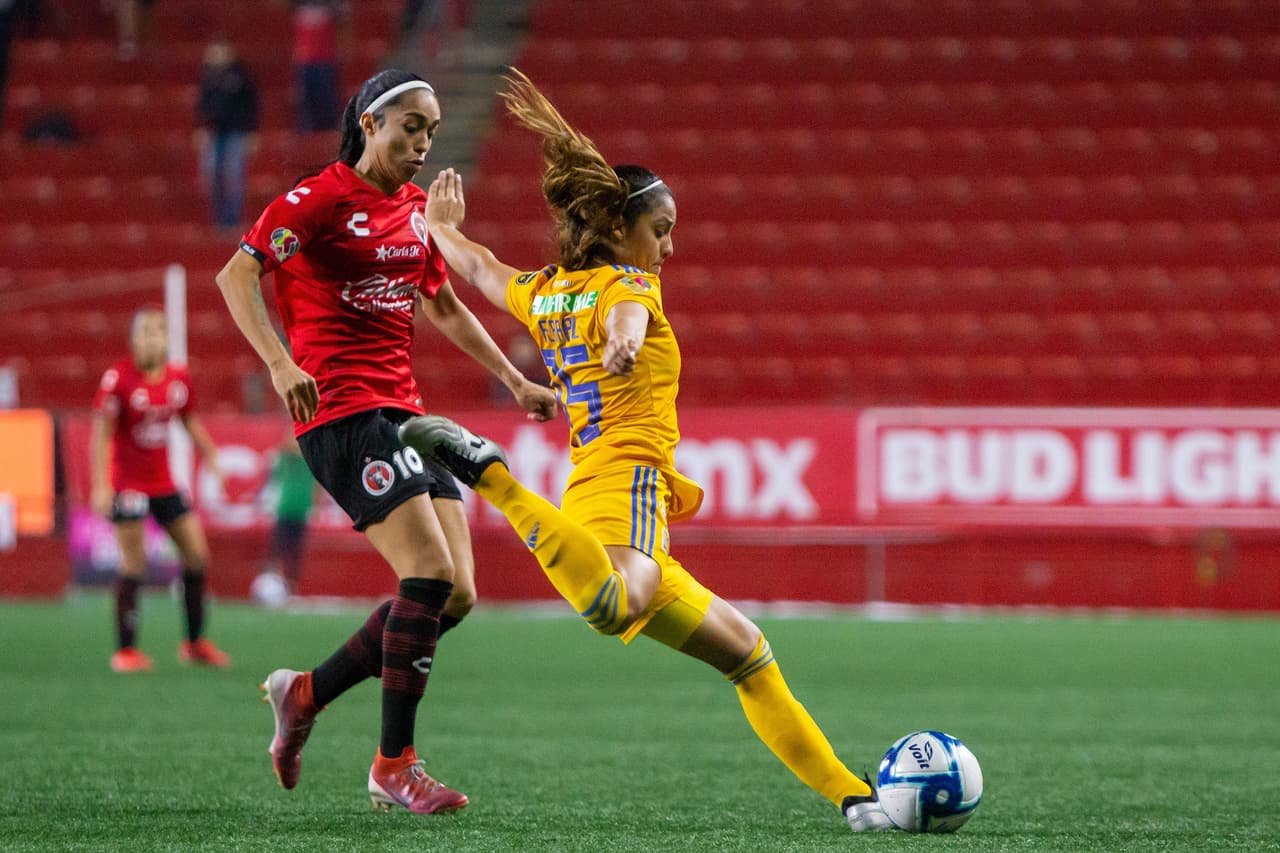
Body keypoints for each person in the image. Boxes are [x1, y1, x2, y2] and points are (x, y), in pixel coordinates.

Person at [397, 69, 896, 834]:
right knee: (613, 605)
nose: (670, 242)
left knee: (749, 654)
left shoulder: (550, 291)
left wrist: (443, 230)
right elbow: (629, 315)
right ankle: (485, 471)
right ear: (621, 231)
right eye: (661, 228)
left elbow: (481, 271)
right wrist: (625, 344)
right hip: (624, 485)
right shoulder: (630, 286)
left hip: (610, 497)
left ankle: (856, 799)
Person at [215, 68, 558, 815]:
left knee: (454, 594)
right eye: (412, 126)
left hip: (407, 418)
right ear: (370, 123)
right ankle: (392, 765)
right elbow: (235, 276)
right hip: (340, 411)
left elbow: (444, 304)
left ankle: (304, 693)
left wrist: (513, 377)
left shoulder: (411, 211)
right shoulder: (318, 198)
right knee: (429, 573)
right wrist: (279, 362)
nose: (424, 142)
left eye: (433, 132)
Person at [90, 306, 232, 673]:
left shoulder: (178, 379)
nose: (154, 336)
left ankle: (195, 642)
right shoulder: (117, 380)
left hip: (165, 483)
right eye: (147, 331)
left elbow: (190, 421)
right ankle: (125, 651)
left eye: (159, 330)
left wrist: (213, 456)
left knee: (197, 555)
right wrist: (102, 485)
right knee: (133, 563)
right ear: (134, 340)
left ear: (168, 339)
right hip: (129, 485)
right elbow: (101, 435)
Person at [195, 36, 260, 231]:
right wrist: (200, 128)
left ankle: (232, 220)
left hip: (236, 133)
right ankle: (219, 217)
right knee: (211, 173)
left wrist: (252, 131)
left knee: (234, 175)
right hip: (215, 133)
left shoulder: (240, 76)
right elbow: (202, 106)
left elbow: (251, 105)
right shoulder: (208, 78)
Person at [258, 424, 317, 595]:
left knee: (295, 553)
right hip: (286, 507)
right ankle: (267, 583)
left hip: (302, 509)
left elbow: (317, 488)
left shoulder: (312, 460)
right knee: (277, 549)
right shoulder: (287, 456)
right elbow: (287, 445)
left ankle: (291, 588)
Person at [292, 0, 347, 132]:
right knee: (306, 109)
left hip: (326, 60)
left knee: (327, 106)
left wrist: (343, 48)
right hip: (304, 61)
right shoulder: (299, 3)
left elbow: (345, 22)